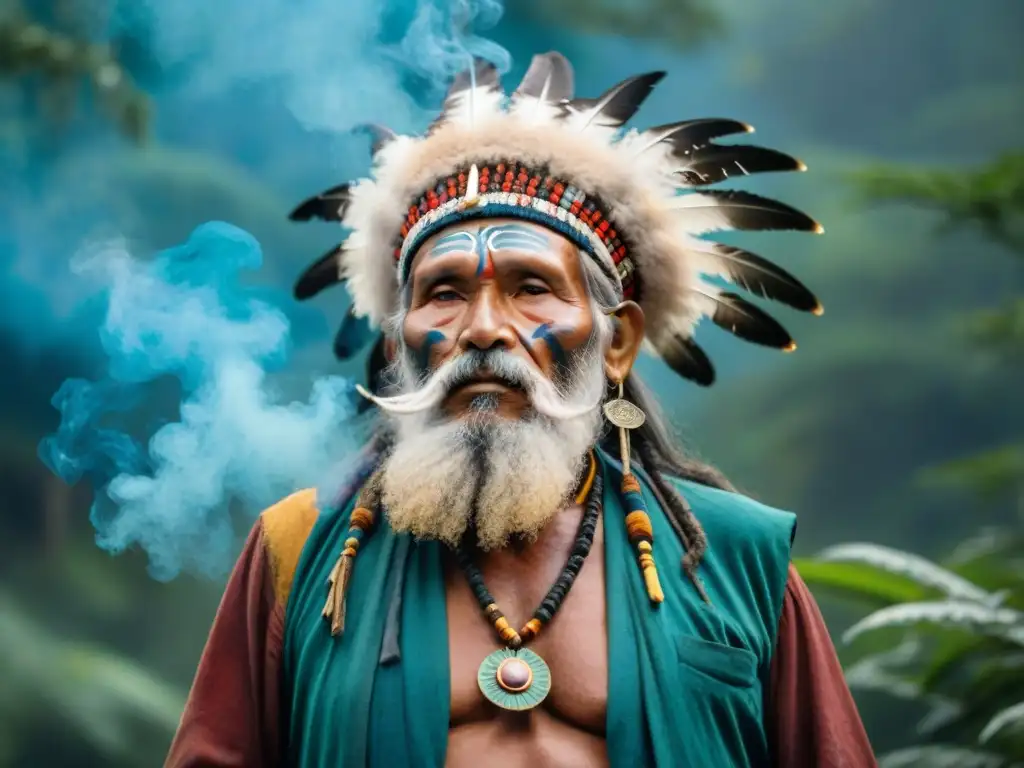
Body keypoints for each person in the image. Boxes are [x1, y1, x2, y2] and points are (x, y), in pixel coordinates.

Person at [166, 52, 876, 767]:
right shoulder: (301, 549)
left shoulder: (731, 557)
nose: (482, 328)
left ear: (619, 339)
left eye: (531, 286)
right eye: (443, 293)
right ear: (397, 343)